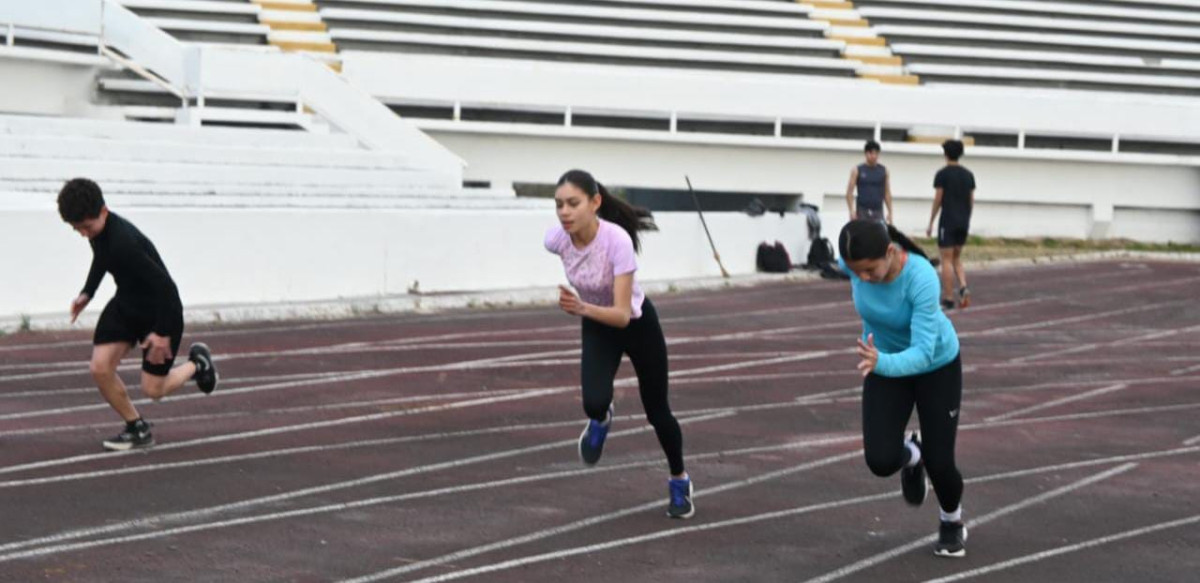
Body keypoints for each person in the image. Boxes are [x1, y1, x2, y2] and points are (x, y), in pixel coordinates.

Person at [545, 169, 692, 519]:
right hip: (598, 325)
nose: (565, 212)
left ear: (595, 203)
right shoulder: (556, 240)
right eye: (559, 205)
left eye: (573, 204)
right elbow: (601, 315)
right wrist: (586, 311)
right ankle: (602, 419)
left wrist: (580, 307)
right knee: (593, 402)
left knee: (658, 412)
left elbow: (623, 315)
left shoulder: (617, 241)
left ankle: (679, 479)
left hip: (636, 324)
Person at [58, 178, 219, 451]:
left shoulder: (125, 243)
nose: (84, 234)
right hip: (127, 303)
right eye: (78, 230)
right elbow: (101, 257)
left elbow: (168, 290)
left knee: (153, 390)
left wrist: (161, 333)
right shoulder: (98, 233)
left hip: (159, 311)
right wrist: (87, 293)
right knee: (100, 367)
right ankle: (137, 428)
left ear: (104, 211)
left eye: (86, 227)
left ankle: (198, 364)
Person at [839, 219, 968, 558]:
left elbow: (924, 353)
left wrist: (881, 363)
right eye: (856, 272)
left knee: (941, 464)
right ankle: (914, 455)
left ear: (891, 252)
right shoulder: (854, 264)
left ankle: (951, 520)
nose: (863, 278)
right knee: (880, 460)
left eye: (869, 270)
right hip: (882, 362)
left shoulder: (921, 277)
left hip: (935, 366)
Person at [926, 140, 977, 309]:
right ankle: (963, 286)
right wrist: (967, 217)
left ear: (945, 154)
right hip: (963, 220)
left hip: (948, 220)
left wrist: (931, 220)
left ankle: (948, 297)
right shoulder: (968, 175)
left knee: (946, 259)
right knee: (956, 257)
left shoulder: (942, 174)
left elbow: (938, 199)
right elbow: (971, 200)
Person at [845, 140, 893, 224]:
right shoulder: (857, 170)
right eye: (871, 153)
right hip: (862, 210)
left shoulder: (884, 171)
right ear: (866, 153)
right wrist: (851, 211)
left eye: (876, 153)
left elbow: (887, 193)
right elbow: (849, 192)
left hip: (878, 210)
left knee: (879, 235)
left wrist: (890, 212)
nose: (873, 156)